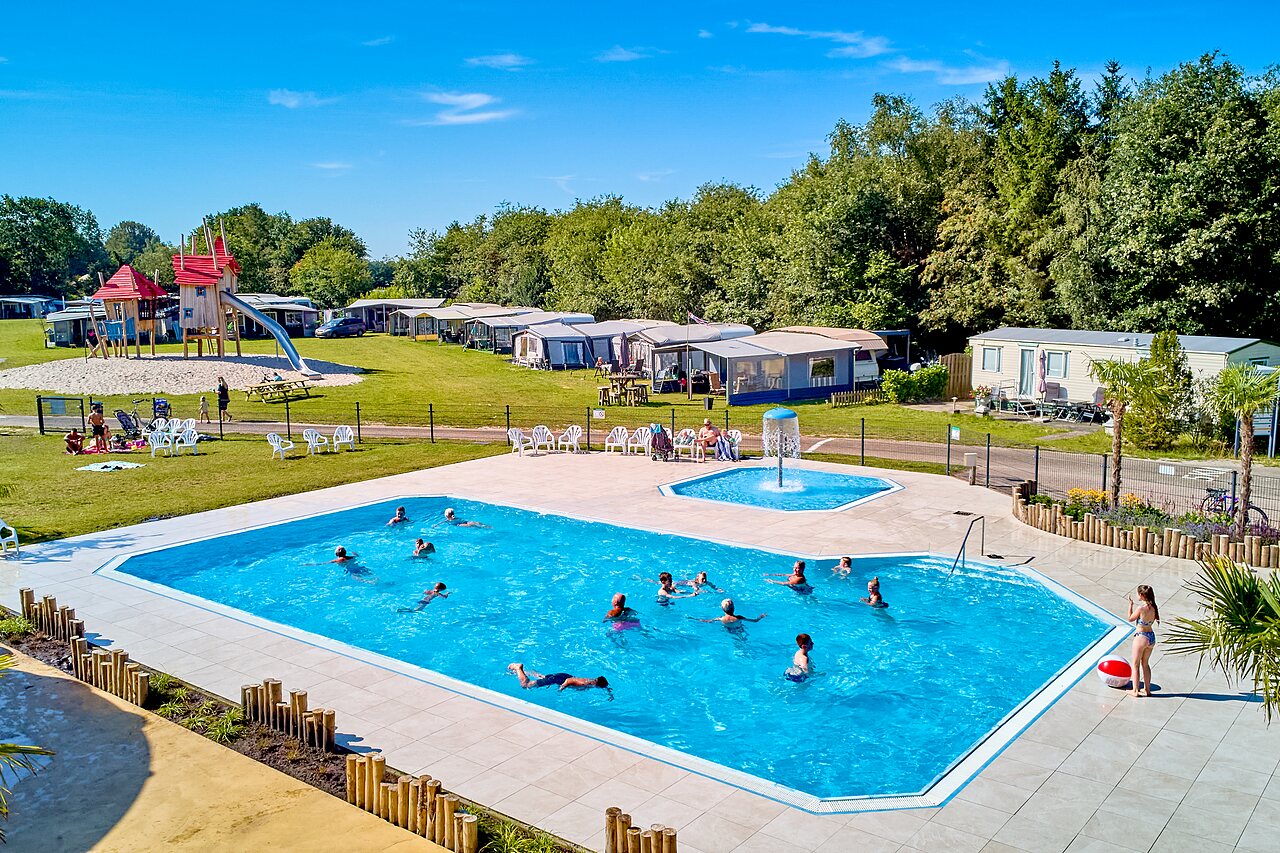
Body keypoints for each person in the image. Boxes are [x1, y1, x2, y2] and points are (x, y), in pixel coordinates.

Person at [1127, 585, 1159, 698]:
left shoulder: (1141, 608)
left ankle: (1135, 690)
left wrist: (1130, 606)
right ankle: (1147, 690)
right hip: (1151, 637)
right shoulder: (1154, 607)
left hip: (1141, 637)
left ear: (1141, 595)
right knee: (1145, 664)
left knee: (1135, 665)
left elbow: (1130, 618)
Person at [507, 663, 610, 694]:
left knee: (545, 677)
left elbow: (604, 685)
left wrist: (609, 692)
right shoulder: (584, 683)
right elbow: (569, 681)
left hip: (562, 676)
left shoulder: (592, 681)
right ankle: (518, 668)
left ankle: (528, 672)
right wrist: (561, 688)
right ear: (596, 685)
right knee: (526, 686)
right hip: (561, 679)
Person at [692, 598, 766, 629]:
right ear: (733, 608)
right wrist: (760, 617)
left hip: (728, 630)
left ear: (722, 609)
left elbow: (708, 621)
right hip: (738, 629)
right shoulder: (739, 617)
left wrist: (695, 619)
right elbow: (755, 621)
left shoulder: (721, 618)